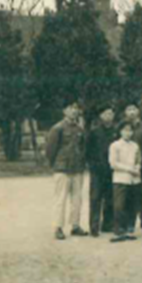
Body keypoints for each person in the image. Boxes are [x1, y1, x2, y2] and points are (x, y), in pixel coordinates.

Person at [46, 98, 89, 240]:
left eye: (76, 108)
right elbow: (50, 150)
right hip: (62, 169)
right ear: (64, 111)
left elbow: (83, 148)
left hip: (77, 169)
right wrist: (56, 165)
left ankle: (75, 226)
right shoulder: (57, 128)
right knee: (61, 199)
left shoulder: (80, 129)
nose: (74, 110)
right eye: (70, 107)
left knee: (77, 199)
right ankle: (58, 227)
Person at [108, 121, 142, 243]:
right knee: (119, 205)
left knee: (131, 205)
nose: (128, 133)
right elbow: (113, 163)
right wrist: (129, 169)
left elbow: (138, 160)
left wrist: (137, 168)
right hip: (120, 179)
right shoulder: (115, 145)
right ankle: (118, 230)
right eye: (125, 130)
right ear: (120, 131)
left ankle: (129, 229)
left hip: (134, 180)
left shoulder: (135, 146)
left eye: (130, 130)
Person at [86, 104, 116, 237]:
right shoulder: (94, 131)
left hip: (112, 169)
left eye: (111, 113)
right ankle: (94, 226)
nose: (109, 116)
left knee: (110, 197)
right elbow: (88, 150)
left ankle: (107, 224)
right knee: (95, 197)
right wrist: (92, 165)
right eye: (106, 113)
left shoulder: (116, 131)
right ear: (101, 116)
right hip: (97, 170)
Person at [123, 103, 142, 230]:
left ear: (138, 111)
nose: (132, 112)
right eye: (129, 109)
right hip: (126, 165)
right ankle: (130, 222)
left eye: (134, 109)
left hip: (141, 164)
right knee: (129, 194)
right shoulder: (122, 126)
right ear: (125, 112)